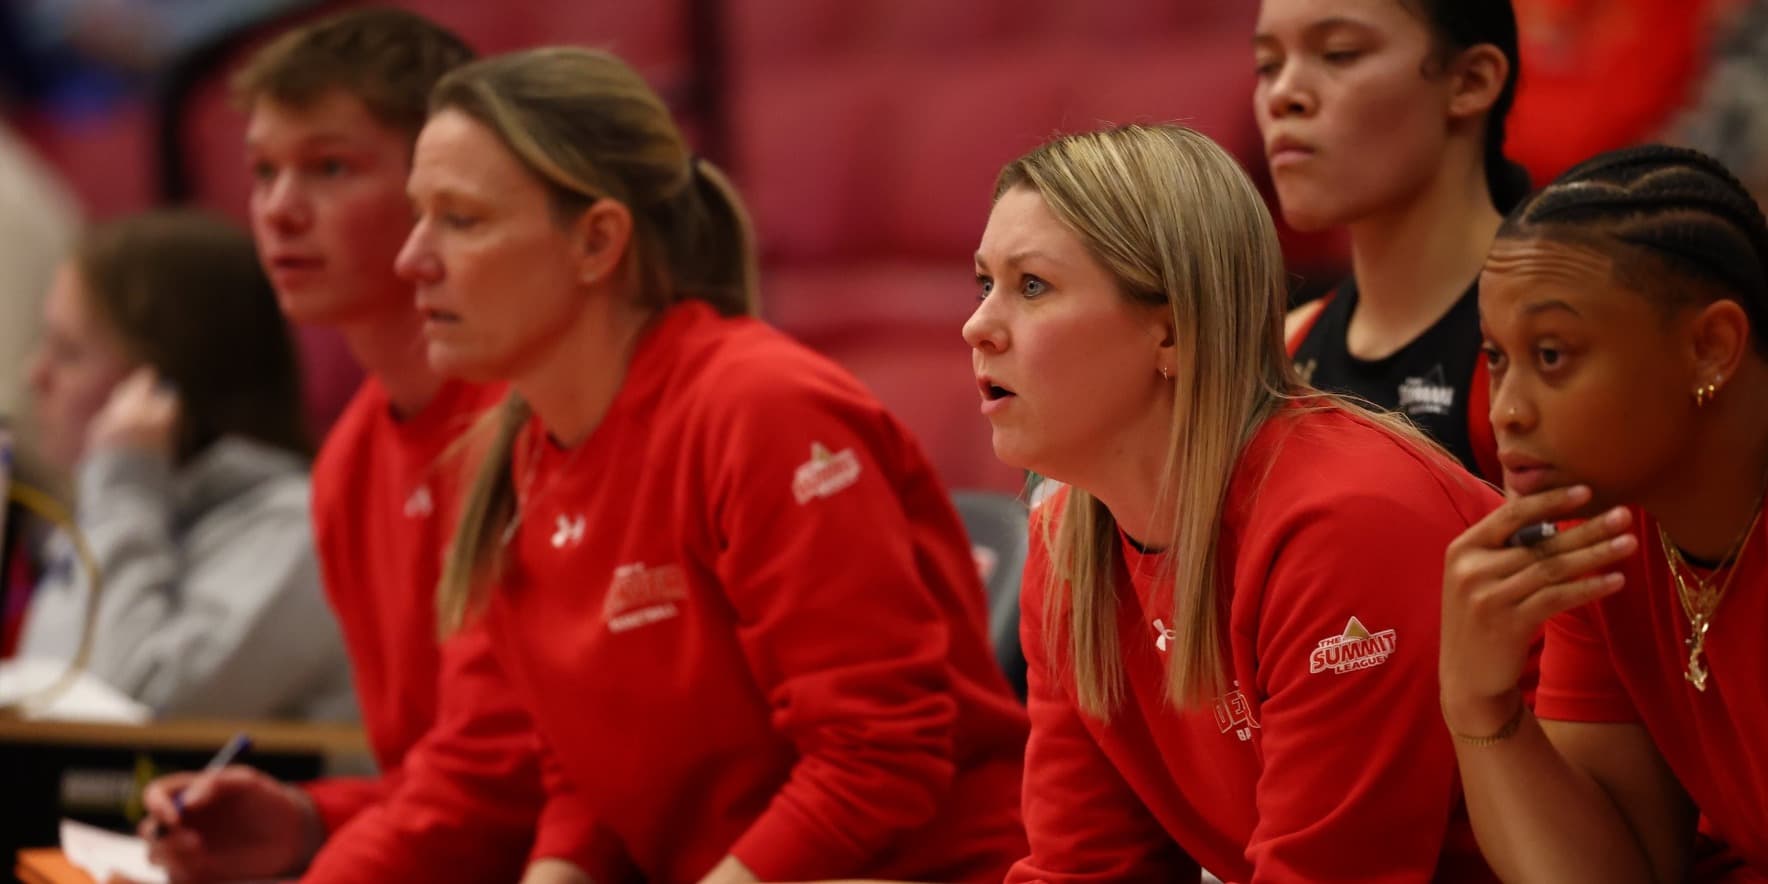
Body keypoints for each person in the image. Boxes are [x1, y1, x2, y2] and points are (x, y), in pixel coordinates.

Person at [406, 47, 1028, 884]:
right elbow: (590, 785)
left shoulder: (758, 406)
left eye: (462, 220)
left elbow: (877, 760)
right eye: (420, 217)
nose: (413, 257)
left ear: (596, 241)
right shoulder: (518, 454)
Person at [968, 123, 1504, 881]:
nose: (977, 326)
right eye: (983, 284)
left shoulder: (1346, 523)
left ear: (1175, 331)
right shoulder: (1067, 538)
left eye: (1032, 286)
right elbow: (1080, 870)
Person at [136, 10, 556, 883]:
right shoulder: (351, 460)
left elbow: (508, 781)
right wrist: (300, 820)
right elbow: (429, 781)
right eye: (261, 172)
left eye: (330, 168)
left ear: (441, 186)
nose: (280, 210)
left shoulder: (534, 418)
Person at [1440, 144, 1768, 881]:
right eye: (1496, 358)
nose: (1505, 412)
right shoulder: (1603, 542)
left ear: (1711, 348)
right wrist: (1479, 706)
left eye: (1551, 355)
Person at [17, 208, 353, 722]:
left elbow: (120, 717)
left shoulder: (299, 535)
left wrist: (126, 481)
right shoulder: (107, 517)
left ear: (160, 390)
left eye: (68, 353)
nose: (34, 376)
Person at [1257, 0, 1529, 482]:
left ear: (1472, 80)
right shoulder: (1282, 351)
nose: (1282, 94)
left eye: (1339, 54)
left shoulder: (1559, 338)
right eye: (1268, 65)